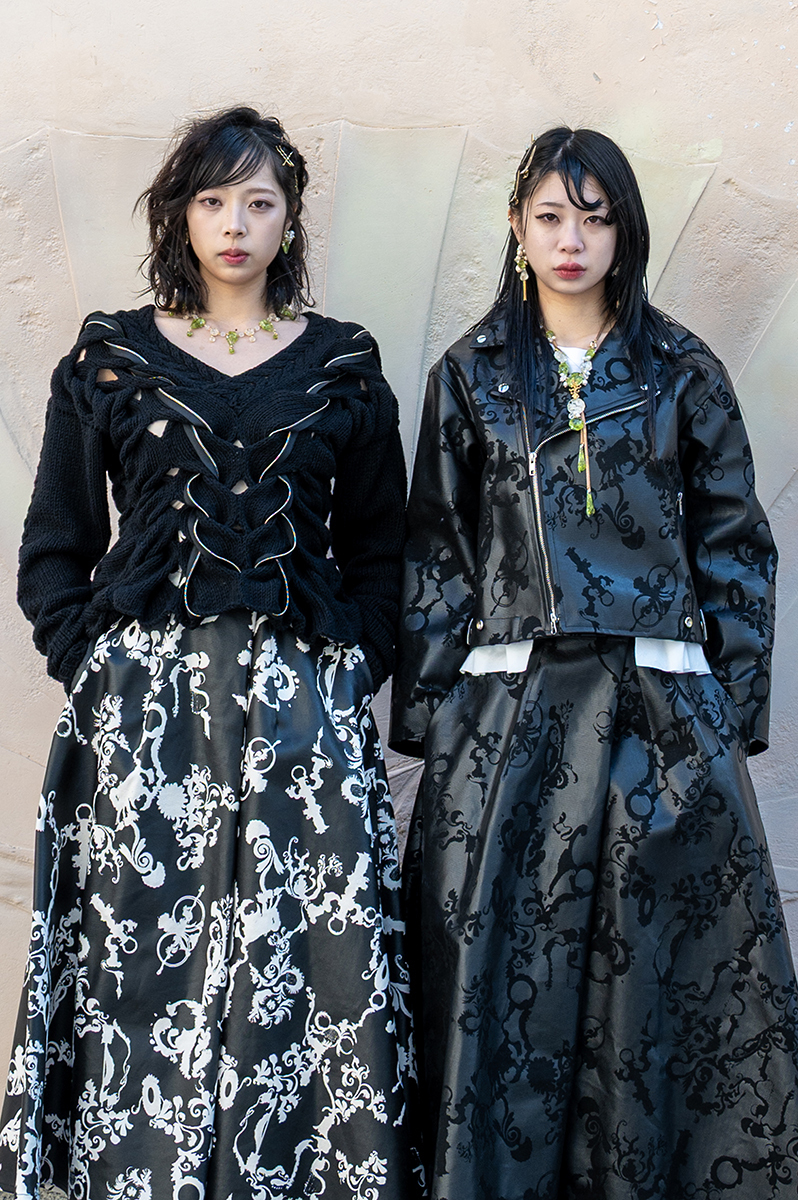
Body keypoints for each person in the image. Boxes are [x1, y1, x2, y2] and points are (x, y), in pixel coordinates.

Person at [0, 106, 421, 1200]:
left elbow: (385, 552)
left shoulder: (344, 365)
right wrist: (99, 670)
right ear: (179, 215)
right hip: (143, 727)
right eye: (212, 199)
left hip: (304, 728)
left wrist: (349, 672)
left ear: (290, 218)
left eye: (260, 202)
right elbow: (53, 550)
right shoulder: (110, 358)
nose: (235, 224)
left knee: (312, 971)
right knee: (141, 969)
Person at [390, 126, 798, 1198]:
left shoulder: (682, 370)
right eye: (550, 217)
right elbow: (437, 549)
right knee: (508, 980)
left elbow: (736, 547)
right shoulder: (472, 375)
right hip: (510, 726)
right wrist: (436, 723)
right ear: (518, 227)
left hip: (659, 721)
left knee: (655, 984)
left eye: (595, 217)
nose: (571, 240)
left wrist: (725, 715)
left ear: (626, 230)